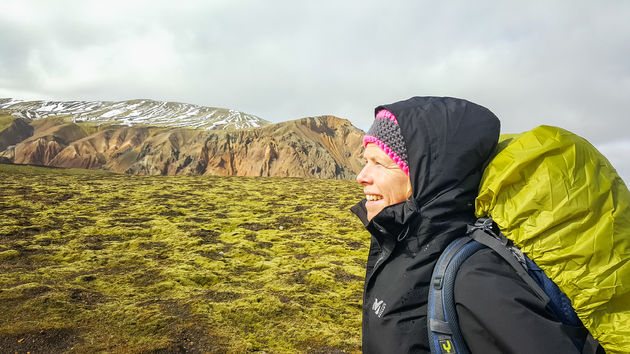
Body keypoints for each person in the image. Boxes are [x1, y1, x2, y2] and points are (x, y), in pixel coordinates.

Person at [350, 96, 601, 353]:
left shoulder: (476, 280)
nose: (361, 177)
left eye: (380, 163)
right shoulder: (397, 246)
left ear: (424, 176)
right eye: (366, 161)